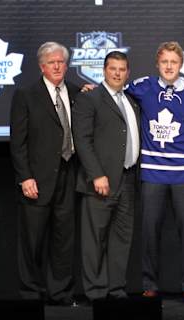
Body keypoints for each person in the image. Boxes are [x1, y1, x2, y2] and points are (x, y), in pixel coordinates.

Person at [126, 41, 184, 298]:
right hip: (153, 172)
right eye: (164, 62)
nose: (169, 66)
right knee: (149, 231)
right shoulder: (144, 86)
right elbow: (116, 92)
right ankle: (149, 285)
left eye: (174, 62)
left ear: (181, 64)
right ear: (157, 64)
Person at [10, 42, 79, 306]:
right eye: (52, 62)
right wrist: (25, 177)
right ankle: (30, 294)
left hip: (68, 174)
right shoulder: (26, 95)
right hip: (36, 180)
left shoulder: (76, 92)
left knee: (63, 240)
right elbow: (18, 142)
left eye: (61, 61)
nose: (58, 66)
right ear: (42, 66)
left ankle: (60, 294)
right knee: (32, 240)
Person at [72, 51, 139, 301]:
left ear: (127, 73)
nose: (117, 73)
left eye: (122, 69)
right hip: (101, 182)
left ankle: (116, 289)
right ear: (104, 70)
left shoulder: (131, 101)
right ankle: (97, 293)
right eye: (113, 68)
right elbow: (82, 140)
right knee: (94, 240)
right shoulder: (90, 99)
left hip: (128, 179)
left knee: (122, 239)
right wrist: (97, 175)